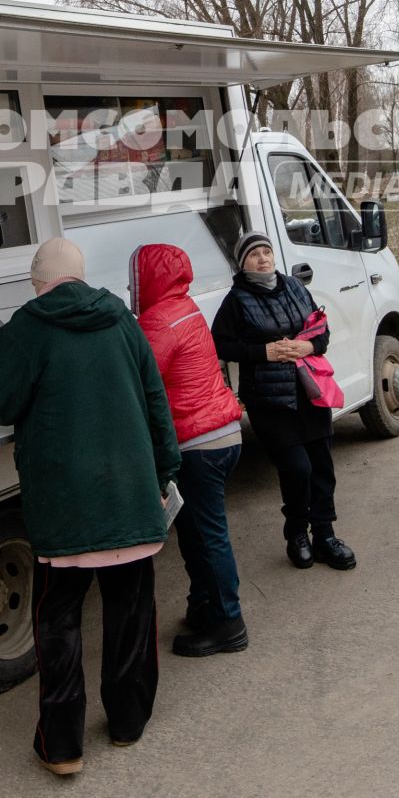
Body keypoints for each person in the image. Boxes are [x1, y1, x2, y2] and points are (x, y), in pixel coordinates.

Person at [0, 238, 181, 776]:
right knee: (131, 612)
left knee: (58, 620)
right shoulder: (122, 320)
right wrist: (165, 469)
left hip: (66, 504)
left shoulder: (29, 327)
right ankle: (127, 723)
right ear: (81, 276)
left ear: (39, 282)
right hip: (130, 493)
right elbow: (156, 397)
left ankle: (63, 747)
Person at [210, 231, 357, 571]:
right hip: (269, 400)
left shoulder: (294, 287)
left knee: (321, 467)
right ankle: (296, 534)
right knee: (296, 468)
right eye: (254, 254)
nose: (262, 258)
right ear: (242, 262)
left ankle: (325, 534)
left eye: (266, 252)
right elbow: (220, 345)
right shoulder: (236, 300)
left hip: (309, 391)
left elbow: (321, 330)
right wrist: (265, 351)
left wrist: (309, 346)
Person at [129, 243, 248, 658]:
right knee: (198, 534)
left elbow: (140, 379)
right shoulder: (187, 307)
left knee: (209, 536)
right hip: (224, 432)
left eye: (135, 277)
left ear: (148, 278)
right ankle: (205, 607)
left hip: (198, 443)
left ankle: (228, 623)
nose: (132, 286)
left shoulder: (158, 320)